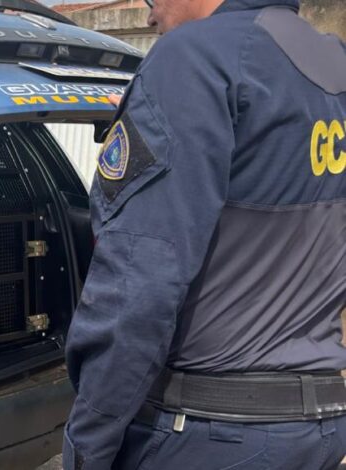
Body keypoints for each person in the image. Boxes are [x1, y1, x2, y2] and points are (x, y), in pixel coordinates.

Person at [63, 0, 346, 468]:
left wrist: (88, 440)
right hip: (317, 427)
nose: (150, 17)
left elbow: (140, 281)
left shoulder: (194, 59)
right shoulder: (333, 64)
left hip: (209, 433)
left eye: (152, 1)